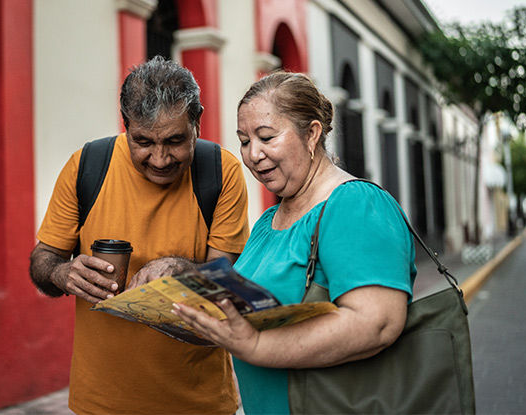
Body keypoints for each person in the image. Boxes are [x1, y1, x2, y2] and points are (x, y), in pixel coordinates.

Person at [172, 72, 416, 414]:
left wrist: (257, 345)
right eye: (244, 141)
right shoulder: (266, 225)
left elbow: (377, 323)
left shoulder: (353, 204)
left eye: (267, 137)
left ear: (312, 133)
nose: (253, 154)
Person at [29, 56, 250, 414]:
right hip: (101, 402)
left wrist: (181, 269)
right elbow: (43, 261)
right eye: (143, 142)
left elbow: (228, 282)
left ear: (197, 122)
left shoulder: (221, 171)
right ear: (125, 125)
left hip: (200, 402)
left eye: (175, 141)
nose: (160, 159)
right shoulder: (86, 166)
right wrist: (62, 273)